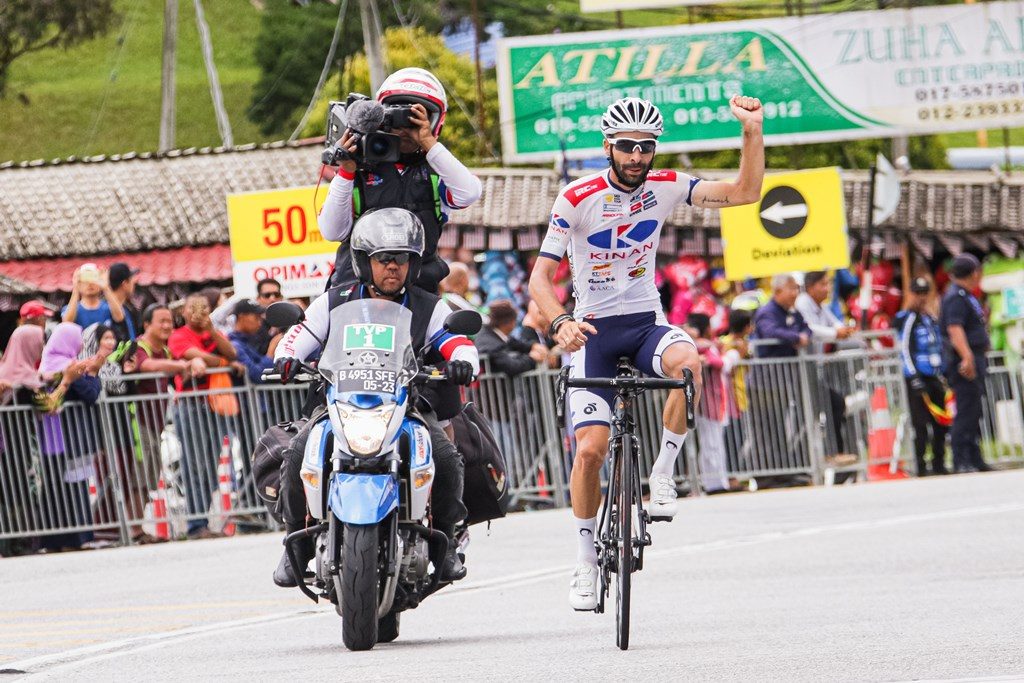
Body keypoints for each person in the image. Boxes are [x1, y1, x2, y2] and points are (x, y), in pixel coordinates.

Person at [528, 94, 764, 610]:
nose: (637, 156)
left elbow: (746, 192)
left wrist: (751, 131)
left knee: (689, 365)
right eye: (628, 147)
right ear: (608, 146)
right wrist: (562, 321)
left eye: (646, 147)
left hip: (644, 324)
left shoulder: (668, 185)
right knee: (590, 452)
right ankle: (586, 561)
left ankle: (662, 472)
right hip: (591, 333)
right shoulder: (577, 195)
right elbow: (540, 279)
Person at [272, 208, 479, 586]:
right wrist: (286, 358)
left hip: (404, 406)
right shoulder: (334, 300)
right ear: (365, 262)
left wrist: (463, 361)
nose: (393, 267)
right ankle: (294, 548)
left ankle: (444, 547)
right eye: (384, 259)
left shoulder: (428, 305)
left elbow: (456, 341)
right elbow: (301, 333)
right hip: (339, 404)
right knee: (298, 451)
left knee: (447, 457)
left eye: (402, 259)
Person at [318, 68, 483, 293]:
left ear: (436, 123)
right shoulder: (358, 163)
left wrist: (427, 141)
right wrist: (346, 171)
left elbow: (469, 193)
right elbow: (332, 231)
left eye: (414, 118)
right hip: (358, 293)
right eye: (395, 117)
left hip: (418, 295)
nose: (405, 129)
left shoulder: (438, 170)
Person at [168, 294, 244, 539]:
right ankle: (195, 524)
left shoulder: (212, 333)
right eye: (191, 308)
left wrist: (211, 330)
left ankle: (204, 522)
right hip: (191, 406)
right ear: (184, 312)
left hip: (213, 407)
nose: (196, 313)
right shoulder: (179, 335)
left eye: (201, 309)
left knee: (211, 465)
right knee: (194, 466)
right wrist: (222, 363)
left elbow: (231, 353)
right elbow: (198, 356)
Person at [940, 254, 992, 474]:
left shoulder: (965, 295)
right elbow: (955, 329)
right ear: (974, 273)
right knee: (966, 410)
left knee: (975, 410)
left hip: (974, 357)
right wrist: (967, 356)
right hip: (964, 362)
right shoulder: (955, 297)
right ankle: (961, 459)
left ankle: (974, 456)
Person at [795, 270, 854, 456]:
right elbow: (810, 329)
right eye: (823, 284)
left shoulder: (821, 306)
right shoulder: (802, 303)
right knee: (811, 414)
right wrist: (835, 334)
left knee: (833, 405)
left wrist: (843, 330)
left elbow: (835, 323)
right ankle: (820, 454)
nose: (827, 288)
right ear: (811, 287)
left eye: (828, 284)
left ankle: (834, 452)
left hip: (815, 370)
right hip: (800, 371)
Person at [896, 277, 950, 476]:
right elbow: (905, 349)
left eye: (924, 293)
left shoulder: (931, 318)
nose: (921, 297)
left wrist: (944, 372)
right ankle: (920, 465)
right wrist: (913, 376)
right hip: (917, 379)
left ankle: (939, 463)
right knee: (920, 425)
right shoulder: (908, 318)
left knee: (941, 423)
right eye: (917, 293)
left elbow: (939, 347)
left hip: (934, 377)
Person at [475, 299, 545, 378]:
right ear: (509, 323)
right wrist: (531, 358)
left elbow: (515, 343)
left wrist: (533, 346)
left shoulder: (495, 335)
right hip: (496, 389)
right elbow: (511, 367)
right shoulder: (490, 344)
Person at [753, 274, 811, 358]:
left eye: (796, 288)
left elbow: (806, 327)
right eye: (791, 288)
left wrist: (805, 336)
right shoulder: (766, 312)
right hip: (770, 368)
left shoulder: (792, 310)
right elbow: (770, 332)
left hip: (791, 367)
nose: (795, 293)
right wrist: (797, 337)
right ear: (778, 291)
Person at [62, 263, 126, 330]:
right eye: (85, 281)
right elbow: (66, 324)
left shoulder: (107, 307)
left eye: (93, 279)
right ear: (79, 284)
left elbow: (120, 318)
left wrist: (106, 287)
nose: (90, 284)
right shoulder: (71, 309)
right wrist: (75, 289)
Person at [107, 262, 141, 341]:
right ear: (125, 284)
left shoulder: (129, 309)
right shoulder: (106, 309)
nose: (134, 284)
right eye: (131, 280)